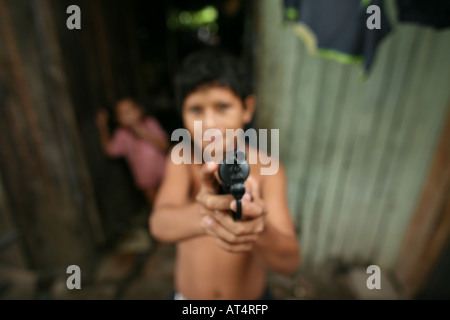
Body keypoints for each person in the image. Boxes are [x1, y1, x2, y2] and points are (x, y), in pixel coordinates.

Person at [149, 49, 301, 300]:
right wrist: (209, 211)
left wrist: (258, 227)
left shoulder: (268, 168)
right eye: (196, 110)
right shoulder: (181, 157)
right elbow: (159, 225)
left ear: (247, 108)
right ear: (182, 115)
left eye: (222, 107)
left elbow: (289, 262)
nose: (209, 124)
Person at [95, 97, 169, 206]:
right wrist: (103, 127)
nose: (129, 115)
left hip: (165, 171)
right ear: (117, 119)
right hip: (145, 178)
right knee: (156, 205)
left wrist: (141, 130)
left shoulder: (150, 123)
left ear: (140, 110)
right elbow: (110, 151)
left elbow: (164, 145)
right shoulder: (122, 134)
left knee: (173, 197)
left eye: (131, 110)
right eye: (124, 113)